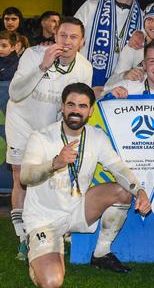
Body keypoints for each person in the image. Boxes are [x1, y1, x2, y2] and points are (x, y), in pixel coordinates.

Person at [22, 83, 151, 288]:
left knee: (123, 192)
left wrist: (140, 191)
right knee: (52, 282)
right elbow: (26, 177)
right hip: (43, 219)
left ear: (90, 111)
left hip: (77, 210)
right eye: (70, 105)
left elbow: (118, 167)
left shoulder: (96, 136)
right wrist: (55, 163)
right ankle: (39, 246)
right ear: (62, 107)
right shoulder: (41, 137)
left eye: (82, 106)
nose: (75, 110)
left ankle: (101, 253)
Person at [6, 17, 92, 261]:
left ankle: (55, 228)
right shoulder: (34, 55)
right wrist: (43, 66)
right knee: (21, 177)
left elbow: (76, 105)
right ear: (55, 36)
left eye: (73, 37)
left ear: (81, 41)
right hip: (21, 122)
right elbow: (15, 93)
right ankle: (24, 237)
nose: (67, 41)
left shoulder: (84, 68)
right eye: (63, 35)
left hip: (50, 127)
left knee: (51, 176)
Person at [74, 0, 143, 89]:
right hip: (85, 84)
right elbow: (71, 37)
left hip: (123, 88)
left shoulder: (143, 17)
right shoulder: (91, 6)